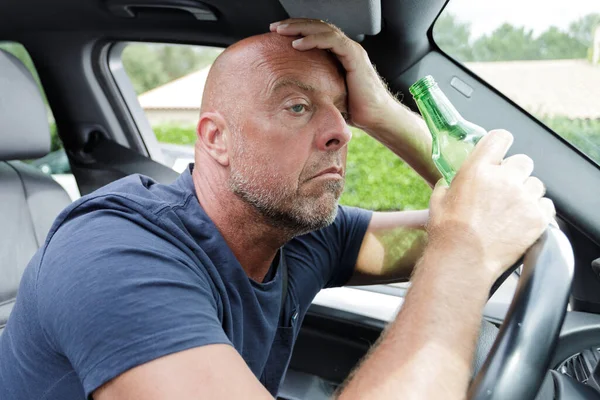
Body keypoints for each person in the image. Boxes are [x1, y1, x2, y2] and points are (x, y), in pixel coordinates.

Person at [0, 19, 554, 400]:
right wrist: (462, 251)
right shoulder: (112, 253)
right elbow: (460, 242)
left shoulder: (294, 228)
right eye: (297, 106)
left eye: (344, 113)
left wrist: (383, 111)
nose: (342, 131)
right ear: (216, 139)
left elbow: (484, 215)